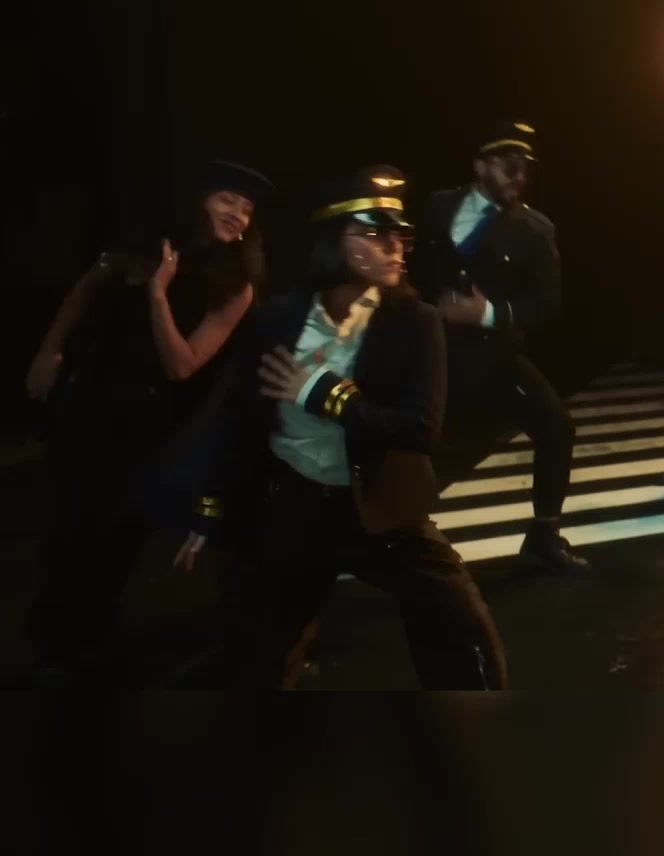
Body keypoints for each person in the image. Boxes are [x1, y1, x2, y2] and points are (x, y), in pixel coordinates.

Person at [194, 166, 506, 689]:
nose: (394, 246)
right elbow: (241, 420)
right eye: (375, 233)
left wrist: (325, 395)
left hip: (379, 509)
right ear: (333, 241)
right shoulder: (279, 319)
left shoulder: (416, 321)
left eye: (399, 234)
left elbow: (420, 429)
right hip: (294, 503)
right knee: (259, 649)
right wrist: (211, 507)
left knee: (461, 626)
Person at [21, 160, 272, 682]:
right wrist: (49, 351)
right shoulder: (144, 246)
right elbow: (87, 287)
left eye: (247, 209)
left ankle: (86, 644)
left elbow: (183, 365)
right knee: (65, 524)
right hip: (89, 400)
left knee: (113, 535)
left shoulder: (236, 284)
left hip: (151, 420)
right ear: (200, 199)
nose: (238, 214)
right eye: (228, 199)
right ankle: (52, 641)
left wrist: (159, 296)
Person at [412, 123, 581, 572]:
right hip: (429, 349)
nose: (519, 177)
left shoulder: (534, 228)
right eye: (509, 167)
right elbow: (415, 266)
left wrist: (486, 313)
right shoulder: (438, 206)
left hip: (491, 355)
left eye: (525, 170)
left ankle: (544, 535)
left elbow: (547, 302)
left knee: (557, 428)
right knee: (418, 446)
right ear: (481, 165)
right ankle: (393, 542)